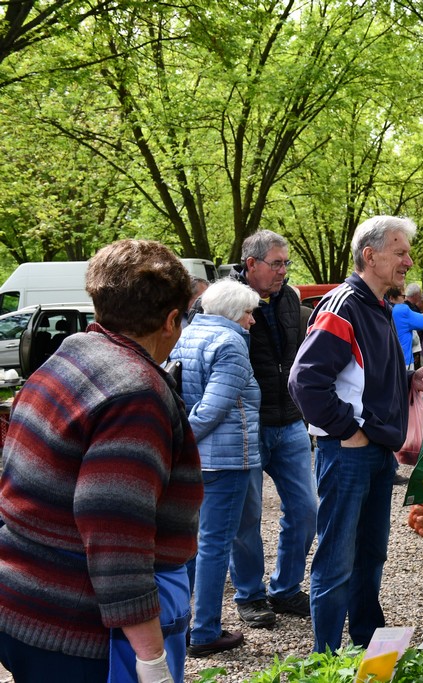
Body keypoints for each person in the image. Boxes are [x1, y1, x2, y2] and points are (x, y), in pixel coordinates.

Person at [0, 240, 202, 682]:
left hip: (23, 606)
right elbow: (115, 532)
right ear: (172, 320)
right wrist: (151, 659)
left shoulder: (69, 354)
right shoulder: (135, 393)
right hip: (80, 634)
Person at [288, 215, 423, 653]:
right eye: (400, 252)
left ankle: (366, 645)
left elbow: (362, 375)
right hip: (349, 453)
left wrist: (409, 378)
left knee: (371, 554)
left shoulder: (379, 306)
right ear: (370, 256)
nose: (408, 261)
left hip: (376, 451)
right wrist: (347, 430)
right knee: (337, 559)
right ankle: (325, 657)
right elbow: (304, 380)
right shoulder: (343, 306)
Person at [228, 230, 317, 628]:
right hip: (245, 426)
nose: (283, 271)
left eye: (286, 263)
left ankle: (285, 588)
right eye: (276, 263)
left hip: (291, 421)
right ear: (251, 264)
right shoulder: (224, 301)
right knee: (245, 518)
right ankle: (250, 595)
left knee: (306, 509)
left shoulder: (291, 299)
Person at [170, 279, 262, 658]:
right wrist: (182, 441)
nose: (252, 320)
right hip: (225, 459)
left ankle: (182, 623)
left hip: (199, 461)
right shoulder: (230, 342)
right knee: (214, 546)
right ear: (232, 312)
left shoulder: (187, 335)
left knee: (195, 544)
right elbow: (212, 408)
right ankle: (205, 631)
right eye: (248, 312)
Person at [391, 283, 423, 370]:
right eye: (403, 296)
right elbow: (422, 323)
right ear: (392, 298)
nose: (405, 299)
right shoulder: (402, 309)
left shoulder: (378, 309)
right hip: (404, 359)